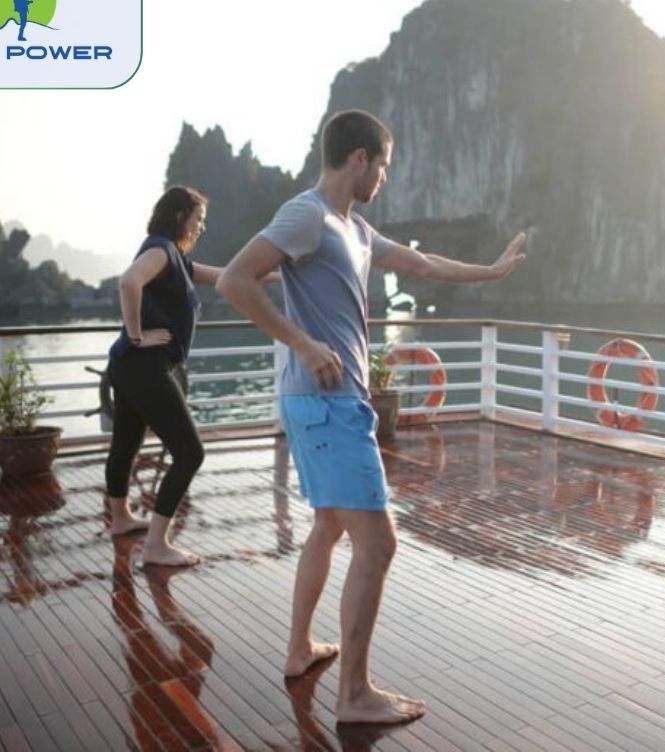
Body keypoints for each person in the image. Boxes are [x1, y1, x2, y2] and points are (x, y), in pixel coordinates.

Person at [217, 109, 526, 724]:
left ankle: (300, 648)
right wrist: (302, 342)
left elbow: (424, 264)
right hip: (325, 401)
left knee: (329, 526)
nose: (384, 176)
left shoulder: (354, 229)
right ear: (359, 158)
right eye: (382, 164)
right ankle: (354, 695)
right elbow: (234, 280)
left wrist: (491, 270)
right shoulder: (308, 214)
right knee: (379, 543)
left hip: (330, 401)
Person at [105, 186, 277, 566]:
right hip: (144, 366)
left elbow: (225, 277)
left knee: (126, 443)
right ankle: (156, 545)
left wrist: (278, 274)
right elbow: (128, 282)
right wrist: (137, 336)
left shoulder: (176, 259)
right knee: (190, 452)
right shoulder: (160, 250)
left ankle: (120, 520)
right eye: (198, 218)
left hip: (131, 367)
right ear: (181, 215)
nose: (202, 226)